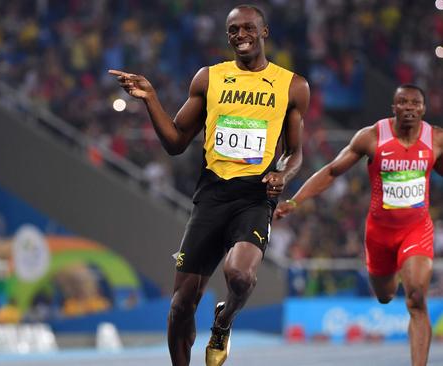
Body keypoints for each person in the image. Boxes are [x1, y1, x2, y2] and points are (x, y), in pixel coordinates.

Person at [110, 5, 309, 366]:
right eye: (233, 30)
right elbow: (175, 142)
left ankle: (223, 321)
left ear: (264, 33)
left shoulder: (292, 86)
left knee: (239, 275)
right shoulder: (209, 79)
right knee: (180, 306)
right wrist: (151, 98)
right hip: (211, 197)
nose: (240, 35)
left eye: (248, 28)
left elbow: (295, 153)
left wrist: (284, 175)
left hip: (254, 198)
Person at [275, 84, 440, 366]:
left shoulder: (435, 139)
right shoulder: (372, 137)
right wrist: (295, 201)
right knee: (386, 296)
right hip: (379, 236)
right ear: (394, 107)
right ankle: (393, 272)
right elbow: (332, 171)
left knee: (415, 298)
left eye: (415, 103)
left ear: (423, 109)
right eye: (403, 102)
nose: (410, 107)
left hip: (417, 230)